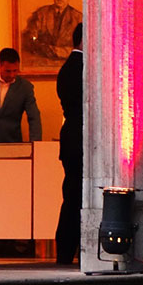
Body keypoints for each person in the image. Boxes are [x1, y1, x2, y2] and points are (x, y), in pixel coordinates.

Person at [54, 23, 84, 266]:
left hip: (72, 138)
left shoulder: (69, 67)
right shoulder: (78, 67)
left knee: (72, 196)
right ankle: (67, 252)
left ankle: (67, 251)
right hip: (79, 139)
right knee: (74, 197)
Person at [0, 47, 42, 143]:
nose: (12, 75)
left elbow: (34, 116)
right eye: (8, 71)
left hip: (11, 141)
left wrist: (36, 143)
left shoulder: (25, 87)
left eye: (15, 71)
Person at [20, 0, 83, 65]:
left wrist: (56, 51)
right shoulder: (41, 14)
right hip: (43, 63)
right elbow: (30, 39)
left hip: (69, 64)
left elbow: (82, 48)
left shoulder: (79, 18)